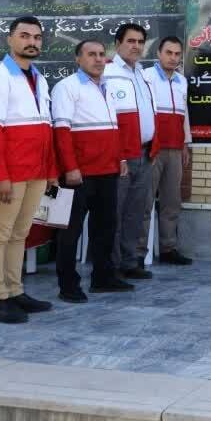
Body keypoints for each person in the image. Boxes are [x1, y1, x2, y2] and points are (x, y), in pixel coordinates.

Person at [0, 16, 57, 323]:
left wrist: (50, 170)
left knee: (19, 233)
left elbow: (45, 128)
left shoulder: (40, 79)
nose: (31, 42)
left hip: (36, 171)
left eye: (37, 37)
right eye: (24, 36)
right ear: (9, 39)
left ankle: (14, 291)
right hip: (10, 174)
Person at [52, 40, 134, 302]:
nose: (98, 59)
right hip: (79, 174)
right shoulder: (66, 87)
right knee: (70, 231)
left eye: (101, 54)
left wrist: (120, 158)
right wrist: (70, 168)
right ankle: (68, 286)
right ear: (78, 58)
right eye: (91, 54)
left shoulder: (106, 87)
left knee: (105, 227)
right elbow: (61, 131)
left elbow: (112, 128)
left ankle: (103, 277)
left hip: (107, 171)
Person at [105, 23, 159, 280]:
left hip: (145, 154)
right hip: (121, 157)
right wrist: (119, 154)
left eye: (140, 41)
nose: (136, 46)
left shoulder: (142, 73)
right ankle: (112, 266)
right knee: (114, 213)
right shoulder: (107, 72)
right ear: (118, 44)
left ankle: (129, 262)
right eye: (130, 41)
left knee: (135, 213)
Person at [142, 36, 193, 266]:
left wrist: (186, 143)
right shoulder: (146, 77)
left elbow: (184, 114)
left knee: (172, 202)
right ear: (158, 53)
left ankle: (168, 248)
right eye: (168, 53)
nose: (173, 58)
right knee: (144, 202)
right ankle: (138, 252)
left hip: (175, 149)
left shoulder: (182, 81)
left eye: (177, 54)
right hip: (152, 149)